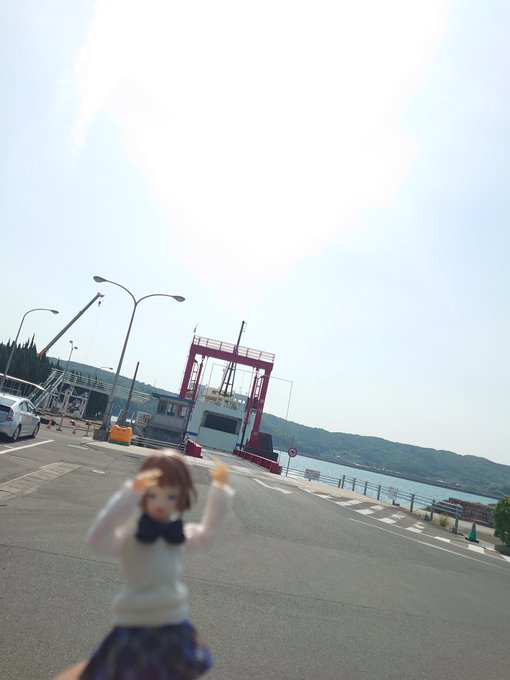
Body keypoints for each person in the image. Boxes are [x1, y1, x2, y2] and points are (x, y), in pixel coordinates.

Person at [56, 452, 233, 680]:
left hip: (173, 622)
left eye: (171, 496)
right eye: (152, 495)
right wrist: (130, 493)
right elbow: (97, 539)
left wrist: (219, 489)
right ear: (143, 495)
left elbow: (207, 536)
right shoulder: (132, 534)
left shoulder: (178, 535)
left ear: (181, 498)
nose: (161, 503)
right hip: (134, 624)